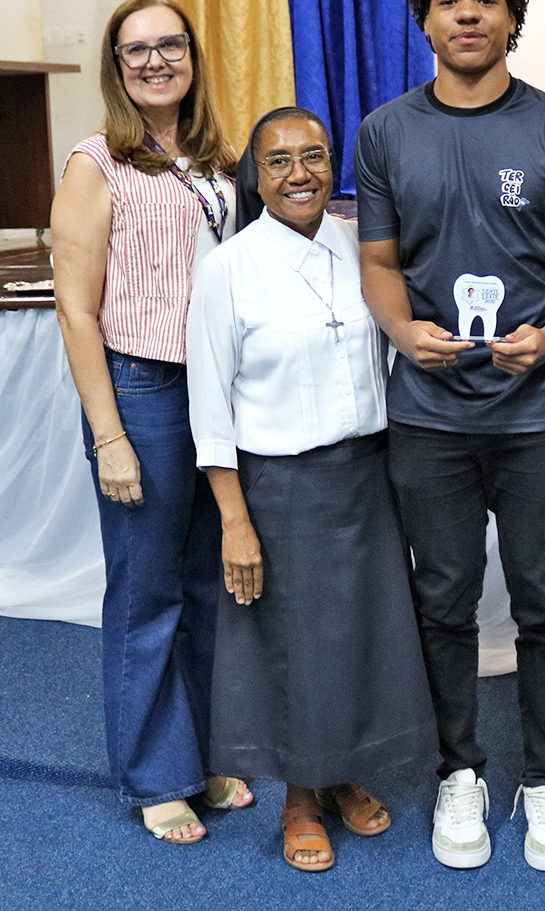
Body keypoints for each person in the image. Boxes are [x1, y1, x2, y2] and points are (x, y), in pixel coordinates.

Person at [354, 0, 545, 872]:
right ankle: (460, 769)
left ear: (512, 19)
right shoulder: (385, 132)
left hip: (538, 415)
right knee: (443, 599)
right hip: (429, 417)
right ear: (425, 21)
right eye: (449, 0)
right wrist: (401, 330)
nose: (468, 13)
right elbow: (379, 263)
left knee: (544, 599)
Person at [185, 106, 436, 872]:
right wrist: (234, 520)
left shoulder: (360, 248)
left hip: (366, 474)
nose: (300, 174)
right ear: (256, 176)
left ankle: (340, 772)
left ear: (334, 165)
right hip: (281, 486)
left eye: (315, 156)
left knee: (356, 636)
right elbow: (209, 405)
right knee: (294, 645)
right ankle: (300, 797)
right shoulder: (227, 267)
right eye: (280, 160)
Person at [52, 0, 253, 843]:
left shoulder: (216, 161)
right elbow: (75, 309)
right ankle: (155, 777)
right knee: (148, 590)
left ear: (193, 57)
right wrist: (110, 436)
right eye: (136, 50)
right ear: (116, 67)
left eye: (170, 44)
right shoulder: (95, 163)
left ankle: (201, 757)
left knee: (208, 589)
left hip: (217, 392)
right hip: (142, 390)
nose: (155, 61)